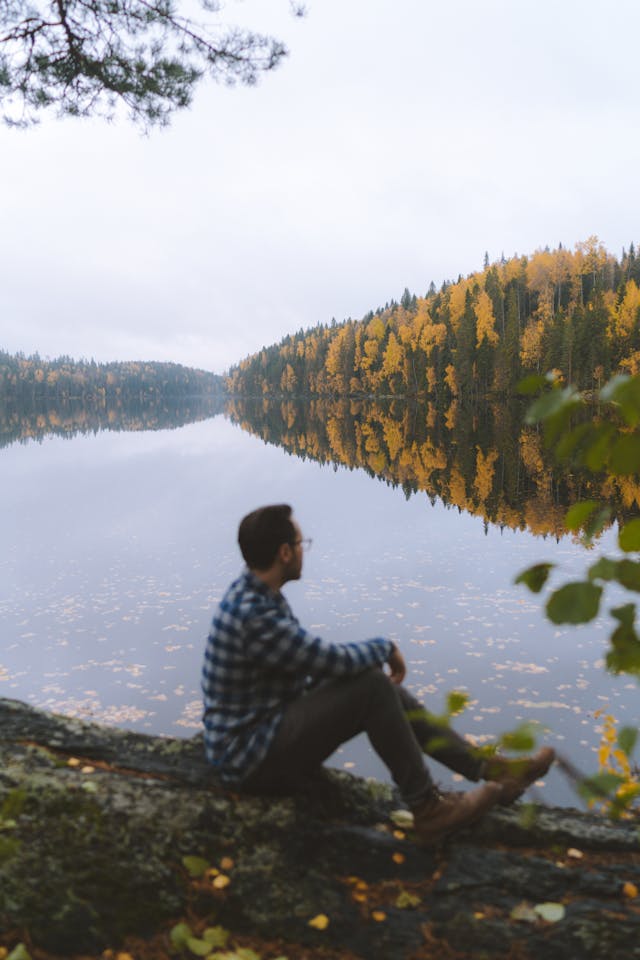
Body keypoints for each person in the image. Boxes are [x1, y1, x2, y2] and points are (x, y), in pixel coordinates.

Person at [202, 504, 555, 846]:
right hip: (252, 762)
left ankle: (493, 772)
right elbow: (327, 660)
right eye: (300, 544)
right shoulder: (256, 616)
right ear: (284, 553)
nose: (303, 551)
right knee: (370, 685)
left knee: (377, 687)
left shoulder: (256, 594)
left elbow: (311, 666)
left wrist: (357, 675)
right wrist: (384, 648)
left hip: (262, 734)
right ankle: (428, 809)